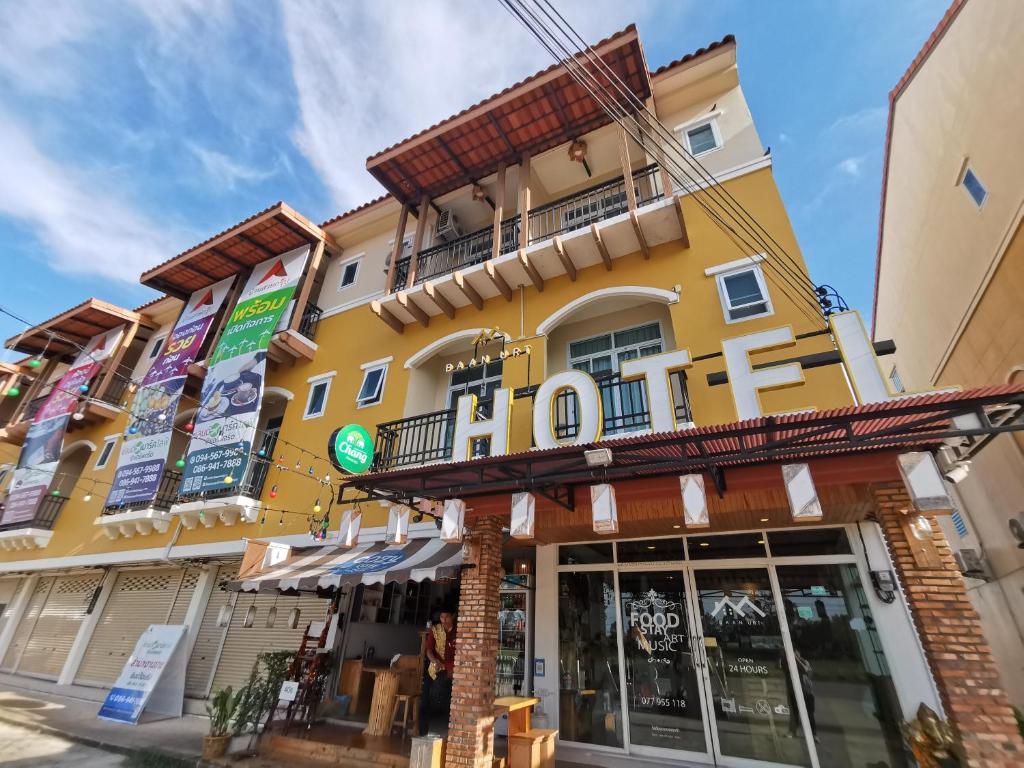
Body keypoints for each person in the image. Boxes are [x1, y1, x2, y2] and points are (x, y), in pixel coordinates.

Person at [418, 609, 457, 736]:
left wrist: (447, 667)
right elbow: (429, 650)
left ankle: (448, 735)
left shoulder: (459, 631)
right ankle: (422, 732)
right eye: (441, 617)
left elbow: (461, 654)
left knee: (447, 702)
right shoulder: (435, 630)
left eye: (447, 616)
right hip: (434, 669)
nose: (444, 619)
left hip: (451, 670)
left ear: (452, 617)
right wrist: (435, 661)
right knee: (425, 701)